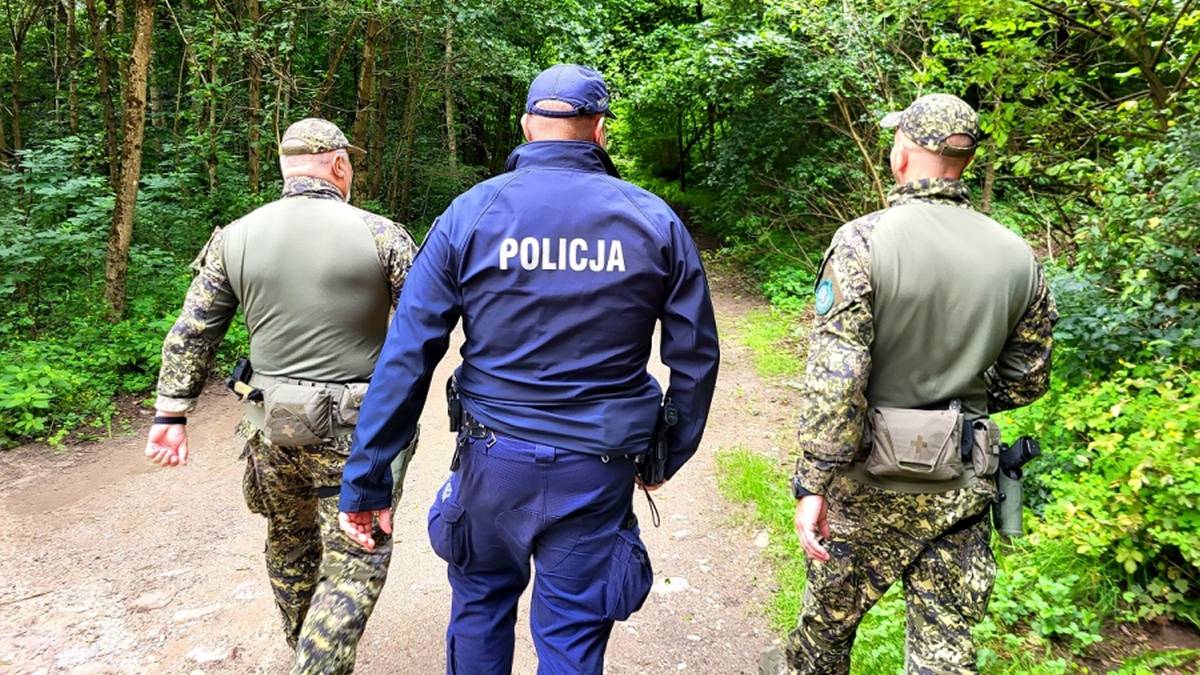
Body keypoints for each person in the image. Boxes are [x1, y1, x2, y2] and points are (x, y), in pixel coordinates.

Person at [338, 64, 721, 675]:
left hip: (492, 465)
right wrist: (666, 453)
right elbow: (695, 355)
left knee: (481, 604)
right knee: (572, 630)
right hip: (597, 471)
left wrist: (367, 479)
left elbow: (409, 352)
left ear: (526, 126)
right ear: (599, 131)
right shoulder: (652, 219)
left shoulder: (472, 212)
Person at [782, 94, 1057, 674]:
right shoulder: (1017, 256)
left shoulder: (862, 243)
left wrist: (812, 483)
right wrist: (963, 403)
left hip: (866, 485)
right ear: (965, 160)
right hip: (961, 481)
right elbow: (1028, 378)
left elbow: (838, 381)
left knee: (825, 636)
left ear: (903, 154)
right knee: (944, 650)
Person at [144, 118, 419, 674]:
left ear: (285, 166)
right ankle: (316, 667)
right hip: (354, 433)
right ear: (340, 164)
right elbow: (425, 324)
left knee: (289, 544)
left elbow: (193, 329)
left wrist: (171, 412)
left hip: (269, 428)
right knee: (356, 557)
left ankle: (303, 647)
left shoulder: (235, 236)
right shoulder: (382, 234)